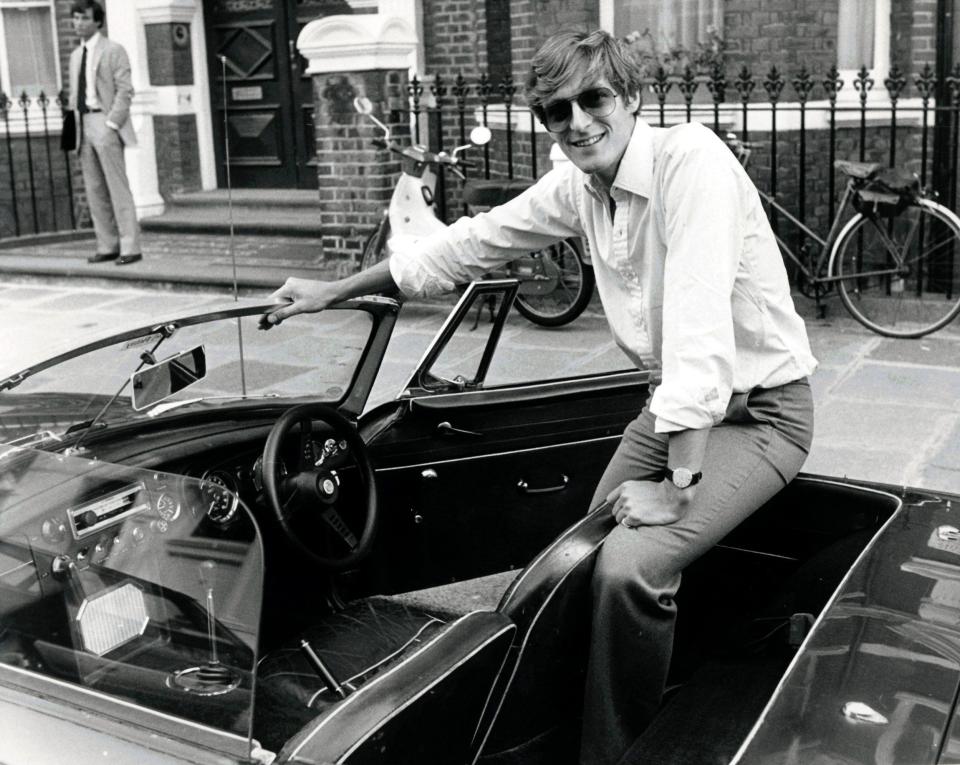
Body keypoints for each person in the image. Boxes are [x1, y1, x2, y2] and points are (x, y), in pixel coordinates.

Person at [262, 29, 817, 765]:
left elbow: (699, 336)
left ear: (633, 98)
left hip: (765, 411)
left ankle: (617, 751)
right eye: (558, 111)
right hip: (677, 405)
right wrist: (334, 290)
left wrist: (680, 487)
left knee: (629, 568)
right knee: (581, 551)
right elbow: (466, 245)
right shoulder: (579, 186)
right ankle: (578, 708)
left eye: (595, 99)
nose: (579, 122)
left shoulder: (694, 166)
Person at [67, 0, 142, 266]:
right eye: (75, 18)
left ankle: (130, 247)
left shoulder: (114, 50)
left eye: (84, 18)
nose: (78, 23)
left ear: (98, 21)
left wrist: (112, 124)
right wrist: (72, 130)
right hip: (83, 125)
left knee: (117, 187)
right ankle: (107, 245)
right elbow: (74, 96)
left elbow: (125, 90)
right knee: (94, 189)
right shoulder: (76, 56)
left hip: (105, 122)